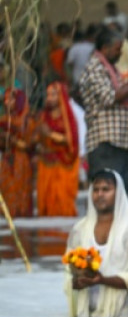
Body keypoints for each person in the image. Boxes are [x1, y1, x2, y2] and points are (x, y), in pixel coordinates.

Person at [65, 169, 128, 317]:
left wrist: (102, 280)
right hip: (85, 316)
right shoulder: (79, 229)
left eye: (106, 189)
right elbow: (68, 270)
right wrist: (76, 280)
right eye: (96, 189)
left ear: (118, 193)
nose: (100, 194)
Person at [79, 27, 128, 192]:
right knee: (108, 196)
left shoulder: (112, 70)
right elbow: (109, 97)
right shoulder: (95, 68)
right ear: (105, 48)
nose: (119, 55)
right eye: (117, 50)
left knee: (122, 194)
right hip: (105, 143)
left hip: (122, 142)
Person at [35, 82, 80, 217]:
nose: (50, 98)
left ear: (61, 96)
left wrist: (50, 134)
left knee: (62, 204)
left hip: (63, 162)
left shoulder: (67, 117)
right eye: (48, 95)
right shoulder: (43, 116)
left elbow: (70, 140)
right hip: (46, 162)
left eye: (53, 94)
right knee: (45, 202)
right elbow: (38, 137)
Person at [0, 89, 34, 217]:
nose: (6, 102)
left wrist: (12, 140)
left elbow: (29, 146)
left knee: (20, 195)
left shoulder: (27, 120)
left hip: (21, 160)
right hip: (6, 160)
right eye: (6, 99)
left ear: (19, 101)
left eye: (11, 99)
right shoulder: (5, 120)